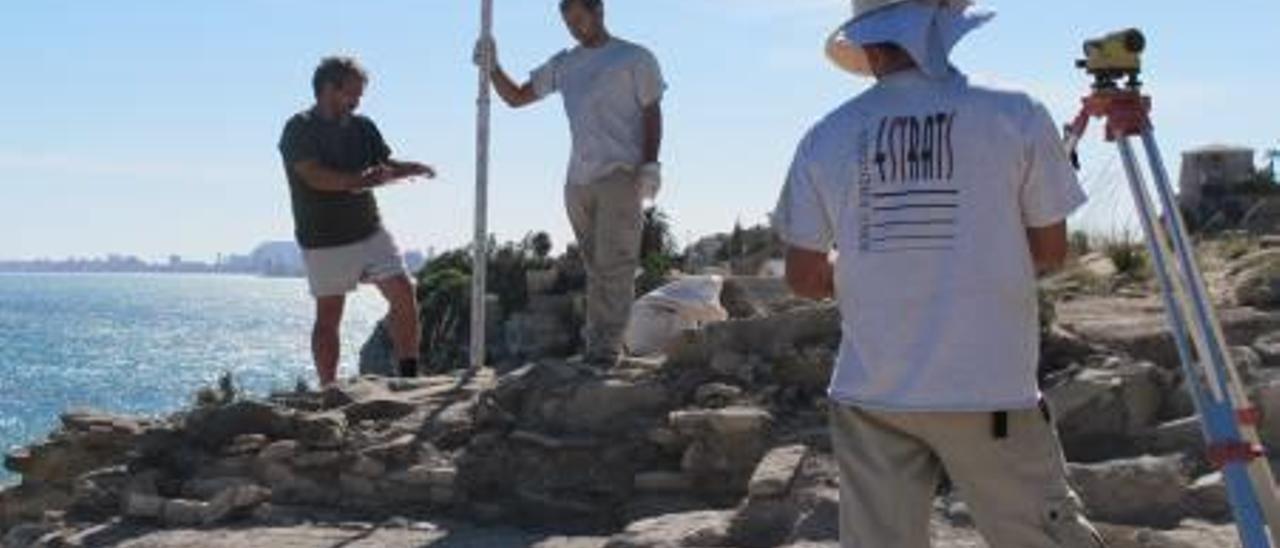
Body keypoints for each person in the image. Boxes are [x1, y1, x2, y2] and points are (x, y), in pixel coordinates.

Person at [772, 1, 1105, 546]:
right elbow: (1048, 250)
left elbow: (805, 276)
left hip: (870, 394)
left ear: (870, 46)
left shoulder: (825, 137)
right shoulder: (1015, 114)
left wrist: (876, 267)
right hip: (990, 390)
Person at [475, 0, 666, 367]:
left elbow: (651, 111)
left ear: (599, 11)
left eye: (579, 18)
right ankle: (599, 343)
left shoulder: (634, 58)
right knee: (597, 267)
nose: (574, 27)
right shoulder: (565, 63)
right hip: (578, 180)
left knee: (617, 263)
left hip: (621, 172)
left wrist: (651, 164)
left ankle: (605, 349)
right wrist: (492, 66)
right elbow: (516, 98)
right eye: (568, 21)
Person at [278, 56, 435, 386]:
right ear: (328, 88)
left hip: (369, 229)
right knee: (329, 316)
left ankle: (409, 379)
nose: (358, 101)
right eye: (353, 93)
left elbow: (384, 164)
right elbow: (314, 177)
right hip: (324, 238)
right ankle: (328, 390)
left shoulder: (364, 127)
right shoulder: (299, 128)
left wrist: (412, 168)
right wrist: (361, 181)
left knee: (404, 295)